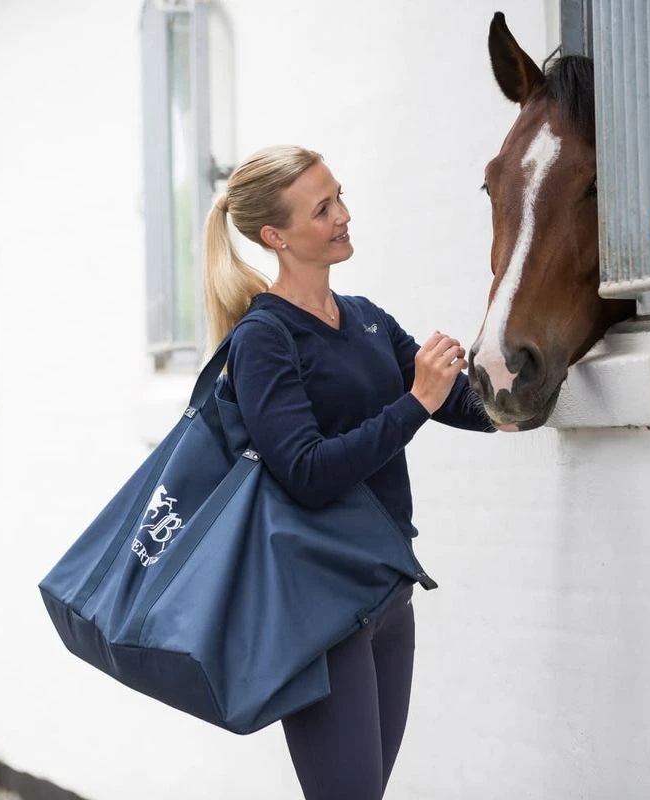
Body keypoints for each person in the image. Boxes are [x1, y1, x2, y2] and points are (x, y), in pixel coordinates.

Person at [202, 145, 493, 800]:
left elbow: (457, 400)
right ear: (275, 236)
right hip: (323, 609)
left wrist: (531, 396)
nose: (344, 216)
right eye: (323, 208)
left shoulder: (364, 318)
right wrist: (413, 401)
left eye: (340, 196)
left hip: (387, 591)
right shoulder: (265, 338)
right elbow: (306, 471)